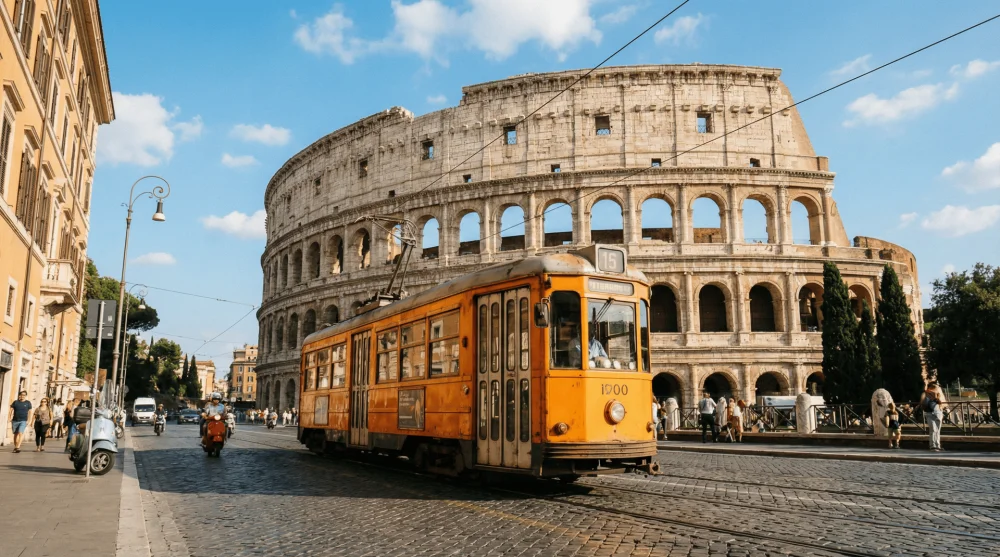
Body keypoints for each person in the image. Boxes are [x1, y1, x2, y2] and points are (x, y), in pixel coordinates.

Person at [920, 382, 945, 452]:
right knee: (933, 429)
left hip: (937, 412)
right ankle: (933, 445)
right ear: (931, 388)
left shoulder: (937, 394)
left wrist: (937, 398)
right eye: (936, 388)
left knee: (937, 430)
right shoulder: (925, 393)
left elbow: (941, 404)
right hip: (931, 413)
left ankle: (937, 445)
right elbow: (922, 403)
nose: (937, 389)